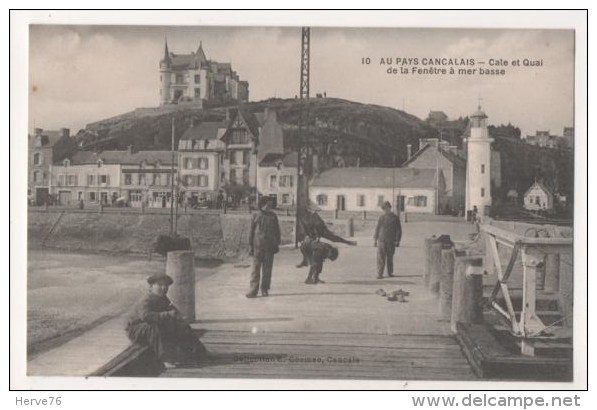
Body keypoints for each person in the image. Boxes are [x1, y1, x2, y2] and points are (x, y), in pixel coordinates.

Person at [126, 273, 207, 368]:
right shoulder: (146, 299)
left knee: (182, 325)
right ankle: (165, 359)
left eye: (166, 286)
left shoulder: (163, 298)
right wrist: (168, 314)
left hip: (150, 328)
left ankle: (200, 351)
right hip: (136, 330)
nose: (163, 288)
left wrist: (179, 318)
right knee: (154, 327)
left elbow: (172, 310)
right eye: (160, 285)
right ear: (151, 286)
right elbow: (146, 316)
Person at [247, 196, 281, 298]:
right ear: (262, 205)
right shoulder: (256, 215)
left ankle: (265, 289)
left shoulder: (273, 216)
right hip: (257, 247)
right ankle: (253, 290)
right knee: (255, 270)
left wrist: (277, 244)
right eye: (268, 204)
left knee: (267, 270)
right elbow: (251, 232)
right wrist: (250, 245)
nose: (269, 206)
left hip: (269, 248)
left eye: (270, 205)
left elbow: (277, 231)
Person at [374, 201, 402, 279]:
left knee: (390, 257)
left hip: (391, 241)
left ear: (390, 208)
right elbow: (377, 228)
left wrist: (397, 240)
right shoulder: (381, 218)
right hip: (381, 240)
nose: (385, 210)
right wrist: (375, 240)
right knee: (380, 258)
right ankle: (380, 274)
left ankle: (390, 273)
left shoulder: (395, 218)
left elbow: (398, 230)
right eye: (384, 209)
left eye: (387, 208)